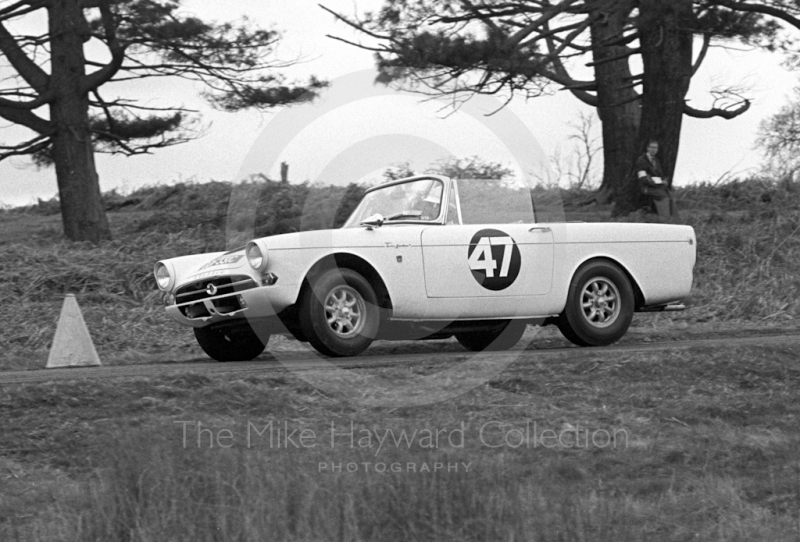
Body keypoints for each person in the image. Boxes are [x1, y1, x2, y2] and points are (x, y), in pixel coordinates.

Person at [635, 140, 676, 217]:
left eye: (656, 148)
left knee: (669, 194)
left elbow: (659, 175)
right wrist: (657, 182)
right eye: (652, 147)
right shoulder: (641, 160)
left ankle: (672, 218)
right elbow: (643, 178)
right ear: (647, 148)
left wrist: (663, 181)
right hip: (646, 187)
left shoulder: (656, 161)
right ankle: (664, 217)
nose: (654, 150)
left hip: (656, 186)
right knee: (663, 195)